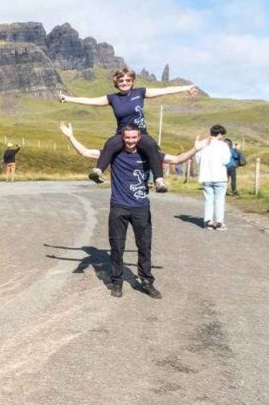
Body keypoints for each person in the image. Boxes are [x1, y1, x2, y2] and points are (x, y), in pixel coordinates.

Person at [59, 122, 206, 298]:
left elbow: (176, 159)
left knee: (144, 247)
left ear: (139, 137)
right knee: (117, 247)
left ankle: (146, 282)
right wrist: (70, 136)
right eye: (127, 137)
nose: (130, 141)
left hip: (141, 208)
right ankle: (117, 282)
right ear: (122, 137)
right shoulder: (114, 153)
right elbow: (85, 152)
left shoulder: (150, 154)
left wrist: (195, 149)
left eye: (134, 137)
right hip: (118, 207)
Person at [57, 68, 199, 193]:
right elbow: (91, 100)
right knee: (110, 144)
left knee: (151, 146)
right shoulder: (112, 98)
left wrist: (186, 88)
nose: (124, 82)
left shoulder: (140, 92)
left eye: (128, 80)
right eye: (121, 80)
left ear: (132, 81)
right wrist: (68, 98)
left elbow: (164, 91)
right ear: (116, 82)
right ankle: (98, 171)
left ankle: (159, 181)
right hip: (122, 133)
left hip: (140, 133)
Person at [195, 125, 233, 229]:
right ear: (219, 134)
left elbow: (198, 159)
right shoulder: (223, 146)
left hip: (206, 176)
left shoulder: (203, 144)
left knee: (208, 200)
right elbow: (226, 161)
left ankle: (208, 221)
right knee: (219, 200)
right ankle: (219, 222)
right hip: (219, 176)